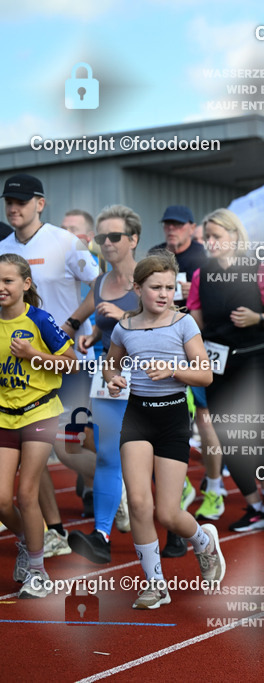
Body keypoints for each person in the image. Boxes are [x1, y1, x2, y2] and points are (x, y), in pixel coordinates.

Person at [103, 251, 223, 609]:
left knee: (167, 513)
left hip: (172, 418)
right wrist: (113, 380)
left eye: (170, 287)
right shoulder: (123, 328)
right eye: (156, 287)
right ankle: (155, 584)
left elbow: (205, 374)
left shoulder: (184, 324)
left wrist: (172, 370)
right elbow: (110, 366)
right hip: (137, 416)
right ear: (137, 288)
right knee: (140, 503)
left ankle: (203, 541)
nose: (164, 293)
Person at [1, 173, 101, 558]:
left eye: (22, 201)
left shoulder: (65, 242)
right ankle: (53, 529)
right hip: (24, 374)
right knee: (33, 454)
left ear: (40, 204)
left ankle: (114, 484)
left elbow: (101, 284)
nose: (14, 207)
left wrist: (73, 323)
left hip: (68, 362)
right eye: (9, 201)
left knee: (69, 447)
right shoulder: (4, 248)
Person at [187, 209, 264, 531]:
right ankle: (256, 504)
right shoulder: (201, 275)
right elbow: (196, 324)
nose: (210, 242)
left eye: (216, 236)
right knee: (227, 437)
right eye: (207, 237)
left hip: (253, 359)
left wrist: (257, 319)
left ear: (234, 236)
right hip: (217, 364)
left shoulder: (257, 269)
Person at [65, 205, 142, 563]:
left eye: (114, 237)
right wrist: (90, 334)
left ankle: (173, 528)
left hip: (148, 384)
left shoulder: (148, 277)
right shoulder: (99, 283)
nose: (106, 243)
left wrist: (124, 315)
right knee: (108, 456)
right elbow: (90, 320)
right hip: (110, 382)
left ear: (133, 239)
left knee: (150, 459)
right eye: (101, 237)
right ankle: (102, 536)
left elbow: (171, 322)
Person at [0, 254, 79, 597]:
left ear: (25, 284)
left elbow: (72, 364)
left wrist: (33, 354)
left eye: (8, 281)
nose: (1, 287)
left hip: (39, 412)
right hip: (4, 413)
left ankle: (37, 572)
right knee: (2, 501)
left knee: (26, 493)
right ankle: (26, 541)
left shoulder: (39, 320)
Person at [149, 204, 217, 557]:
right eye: (167, 225)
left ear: (192, 227)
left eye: (178, 225)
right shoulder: (155, 255)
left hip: (191, 352)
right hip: (150, 366)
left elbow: (207, 309)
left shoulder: (203, 259)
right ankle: (178, 505)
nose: (171, 230)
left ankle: (213, 486)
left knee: (201, 421)